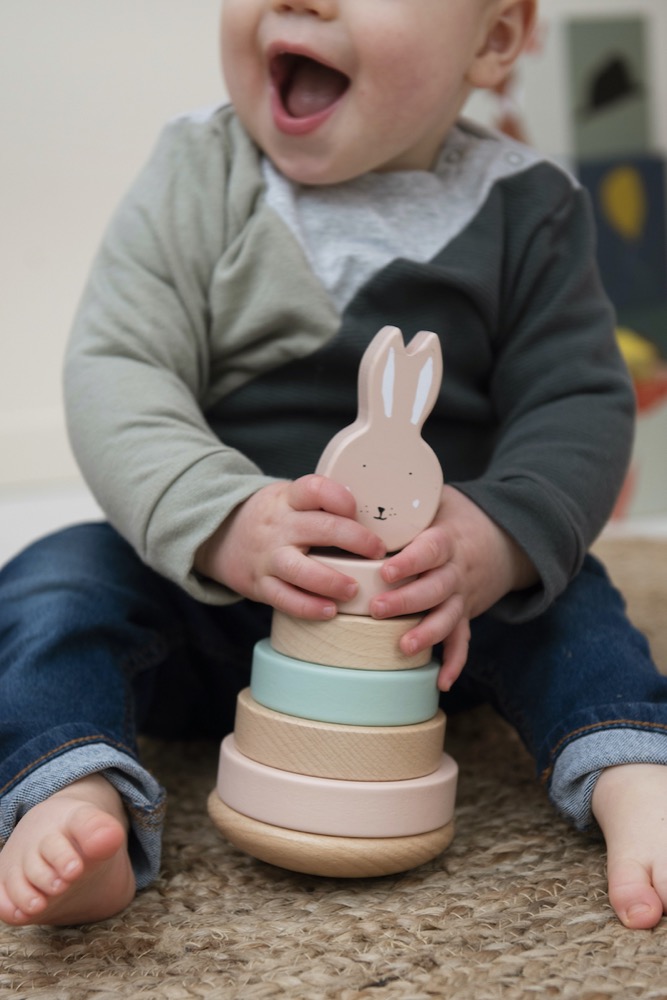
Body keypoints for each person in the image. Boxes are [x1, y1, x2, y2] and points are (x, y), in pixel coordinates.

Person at [1, 0, 667, 931]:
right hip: (210, 598)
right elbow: (119, 368)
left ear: (495, 40)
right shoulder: (198, 170)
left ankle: (632, 772)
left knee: (572, 601)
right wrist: (222, 518)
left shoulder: (529, 205)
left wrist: (493, 542)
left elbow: (578, 403)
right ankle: (69, 790)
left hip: (426, 618)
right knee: (54, 582)